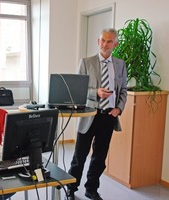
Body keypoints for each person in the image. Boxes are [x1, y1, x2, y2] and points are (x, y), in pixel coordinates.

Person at [67, 28, 127, 200]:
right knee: (80, 156)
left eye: (109, 41)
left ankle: (91, 188)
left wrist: (119, 109)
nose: (105, 44)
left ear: (115, 44)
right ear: (98, 41)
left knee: (99, 157)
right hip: (89, 115)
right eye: (102, 40)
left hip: (109, 116)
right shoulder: (86, 62)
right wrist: (96, 93)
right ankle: (71, 189)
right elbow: (78, 90)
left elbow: (123, 90)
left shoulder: (120, 64)